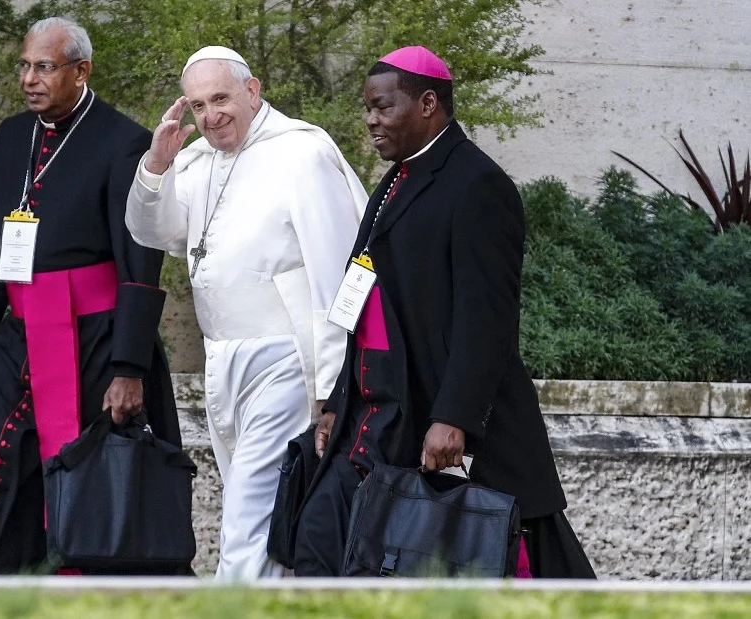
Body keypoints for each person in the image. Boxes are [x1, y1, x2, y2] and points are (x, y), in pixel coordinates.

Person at [294, 46, 595, 578]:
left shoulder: (478, 183)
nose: (370, 120)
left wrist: (454, 417)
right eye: (368, 108)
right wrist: (337, 402)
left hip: (428, 413)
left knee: (479, 562)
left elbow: (489, 318)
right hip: (372, 414)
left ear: (428, 102)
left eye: (383, 107)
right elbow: (363, 302)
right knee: (319, 541)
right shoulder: (396, 178)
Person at [0, 17, 180, 575]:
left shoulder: (125, 142)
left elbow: (140, 263)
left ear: (81, 71)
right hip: (20, 337)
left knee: (86, 479)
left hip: (93, 342)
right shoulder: (11, 137)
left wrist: (129, 367)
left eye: (44, 66)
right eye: (24, 65)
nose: (29, 78)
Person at [126, 45, 367, 579]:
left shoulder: (301, 153)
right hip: (224, 360)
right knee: (257, 511)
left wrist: (332, 387)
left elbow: (336, 276)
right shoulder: (197, 161)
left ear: (252, 90)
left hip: (285, 360)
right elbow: (153, 230)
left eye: (221, 99)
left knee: (247, 519)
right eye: (197, 106)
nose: (211, 117)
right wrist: (156, 164)